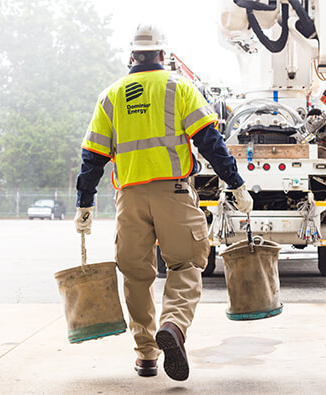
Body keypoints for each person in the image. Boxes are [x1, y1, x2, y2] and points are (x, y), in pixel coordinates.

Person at [74, 22, 253, 381]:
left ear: (131, 56)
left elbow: (92, 156)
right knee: (186, 265)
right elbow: (209, 141)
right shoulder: (180, 88)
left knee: (136, 274)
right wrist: (235, 184)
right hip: (173, 194)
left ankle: (145, 355)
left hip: (130, 199)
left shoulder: (110, 96)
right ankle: (173, 326)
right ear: (162, 54)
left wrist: (85, 203)